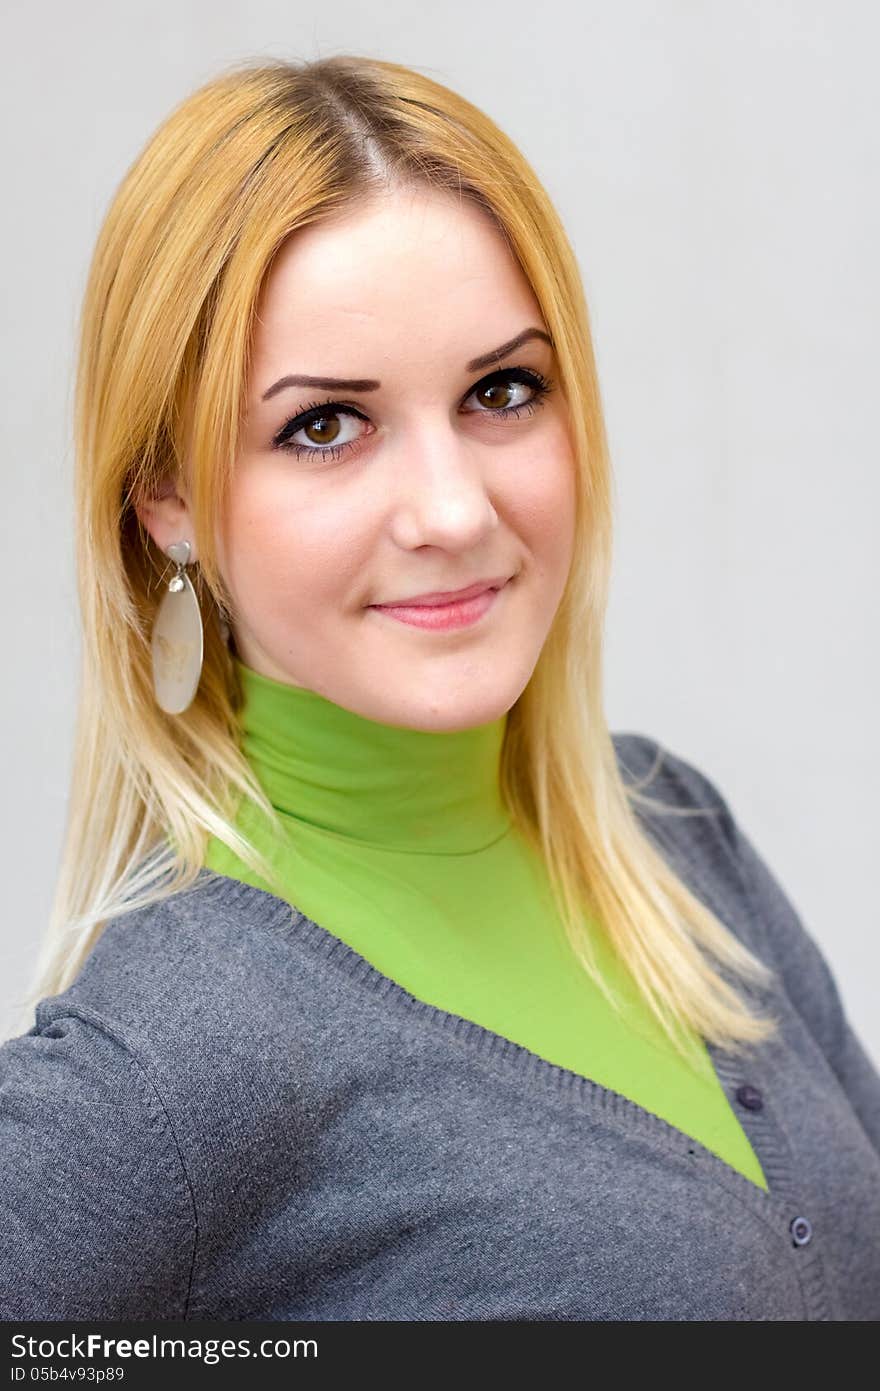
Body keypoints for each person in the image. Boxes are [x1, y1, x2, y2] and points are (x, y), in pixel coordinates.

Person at [2, 54, 878, 1323]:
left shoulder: (673, 833)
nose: (455, 508)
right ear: (169, 503)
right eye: (325, 425)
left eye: (501, 391)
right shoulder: (190, 1046)